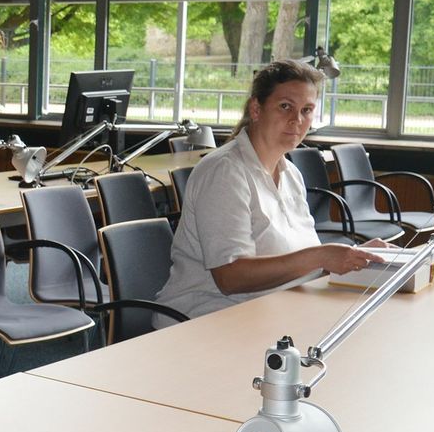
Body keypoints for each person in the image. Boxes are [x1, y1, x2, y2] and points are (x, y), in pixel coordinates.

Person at [156, 59, 387, 322]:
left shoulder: (292, 174)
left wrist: (355, 257)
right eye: (285, 106)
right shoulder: (225, 171)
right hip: (207, 320)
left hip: (275, 311)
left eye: (307, 110)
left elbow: (303, 266)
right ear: (256, 109)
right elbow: (230, 277)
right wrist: (321, 256)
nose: (297, 120)